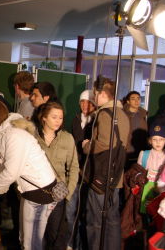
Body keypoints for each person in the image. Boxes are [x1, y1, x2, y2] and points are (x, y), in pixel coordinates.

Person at [0, 99, 57, 250]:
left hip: (40, 192)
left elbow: (9, 173)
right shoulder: (3, 134)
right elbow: (1, 169)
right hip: (32, 191)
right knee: (25, 240)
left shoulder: (13, 135)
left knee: (31, 243)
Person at [82, 76, 130, 250]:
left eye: (95, 93)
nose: (94, 97)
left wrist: (87, 145)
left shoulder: (104, 113)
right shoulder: (122, 113)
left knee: (95, 221)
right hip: (115, 177)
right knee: (112, 220)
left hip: (100, 176)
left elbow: (104, 143)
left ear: (102, 93)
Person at [34, 102, 79, 250]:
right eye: (54, 117)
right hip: (34, 193)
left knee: (55, 236)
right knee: (36, 237)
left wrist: (67, 193)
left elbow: (73, 167)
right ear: (44, 118)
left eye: (60, 117)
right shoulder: (32, 137)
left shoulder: (67, 138)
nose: (58, 121)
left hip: (57, 194)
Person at [68, 89, 96, 249]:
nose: (85, 105)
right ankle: (73, 243)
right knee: (71, 213)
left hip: (91, 173)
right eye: (82, 102)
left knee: (87, 214)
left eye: (89, 102)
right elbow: (77, 143)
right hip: (76, 171)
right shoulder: (76, 119)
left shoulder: (98, 120)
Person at [138, 123, 165, 214]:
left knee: (159, 213)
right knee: (145, 210)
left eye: (161, 139)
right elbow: (138, 171)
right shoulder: (144, 154)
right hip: (146, 189)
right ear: (150, 141)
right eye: (154, 139)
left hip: (163, 190)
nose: (158, 142)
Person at [123, 91, 148, 167]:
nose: (136, 101)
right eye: (133, 99)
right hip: (126, 150)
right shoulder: (123, 114)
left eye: (138, 98)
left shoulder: (144, 114)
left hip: (140, 151)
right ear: (128, 101)